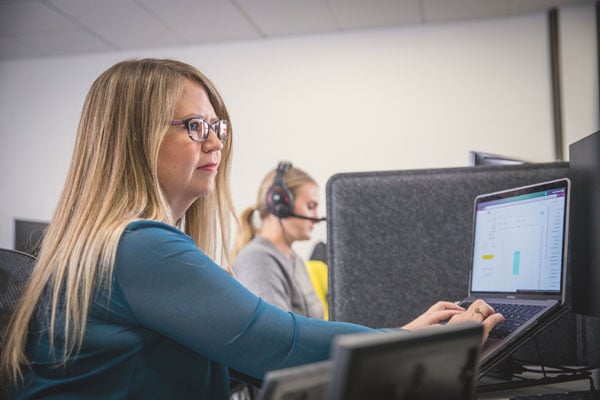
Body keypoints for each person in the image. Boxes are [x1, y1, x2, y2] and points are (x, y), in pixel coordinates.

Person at [0, 58, 504, 399]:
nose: (216, 142)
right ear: (133, 139)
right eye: (194, 126)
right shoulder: (139, 247)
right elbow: (277, 342)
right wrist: (419, 345)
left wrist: (405, 337)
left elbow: (236, 355)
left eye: (217, 127)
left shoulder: (114, 246)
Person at [231, 163, 326, 319]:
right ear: (280, 204)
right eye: (310, 206)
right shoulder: (257, 259)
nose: (316, 218)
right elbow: (274, 332)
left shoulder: (293, 258)